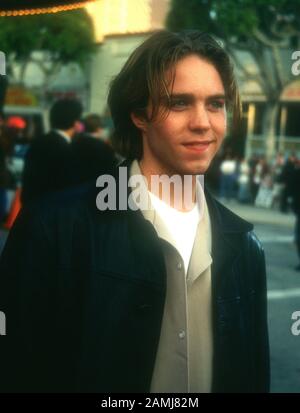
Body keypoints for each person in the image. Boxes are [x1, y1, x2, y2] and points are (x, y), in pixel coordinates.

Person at [0, 30, 269, 393]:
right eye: (179, 103)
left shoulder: (246, 245)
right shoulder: (55, 228)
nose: (203, 122)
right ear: (139, 114)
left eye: (215, 104)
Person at [21, 98, 83, 205]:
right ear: (76, 123)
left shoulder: (38, 142)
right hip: (53, 211)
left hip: (31, 208)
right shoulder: (67, 149)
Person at [71, 114, 117, 185]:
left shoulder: (74, 142)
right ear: (99, 128)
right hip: (96, 185)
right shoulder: (103, 146)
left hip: (75, 184)